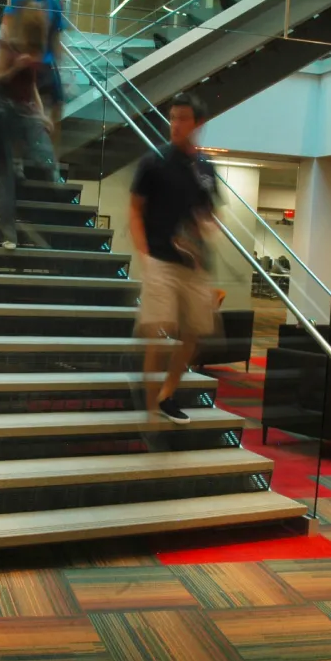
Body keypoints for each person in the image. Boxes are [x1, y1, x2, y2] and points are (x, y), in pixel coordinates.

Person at [129, 92, 218, 424]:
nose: (175, 125)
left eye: (183, 119)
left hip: (193, 264)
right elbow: (135, 211)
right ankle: (151, 405)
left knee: (193, 333)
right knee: (158, 328)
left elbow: (206, 213)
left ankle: (166, 395)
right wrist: (146, 257)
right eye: (172, 117)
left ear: (198, 124)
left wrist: (204, 230)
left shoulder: (205, 167)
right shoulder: (153, 161)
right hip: (161, 260)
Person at [0, 1, 53, 250]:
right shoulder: (8, 45)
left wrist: (42, 114)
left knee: (25, 173)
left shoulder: (35, 48)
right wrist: (15, 68)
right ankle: (8, 232)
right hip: (3, 117)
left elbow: (31, 85)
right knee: (8, 176)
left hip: (22, 117)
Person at [3, 0, 68, 143]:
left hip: (45, 63)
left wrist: (60, 64)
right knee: (23, 107)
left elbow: (55, 37)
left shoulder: (54, 4)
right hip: (24, 60)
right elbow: (7, 26)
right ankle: (19, 152)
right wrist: (12, 56)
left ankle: (50, 155)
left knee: (57, 103)